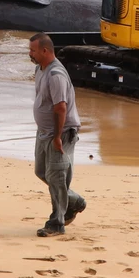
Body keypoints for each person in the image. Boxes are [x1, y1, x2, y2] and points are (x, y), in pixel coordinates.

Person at [28, 32, 86, 237]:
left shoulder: (56, 75)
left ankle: (56, 223)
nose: (30, 54)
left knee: (56, 177)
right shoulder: (40, 69)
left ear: (45, 51)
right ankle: (74, 201)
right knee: (42, 171)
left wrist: (58, 137)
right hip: (44, 132)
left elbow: (61, 108)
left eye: (33, 50)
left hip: (59, 133)